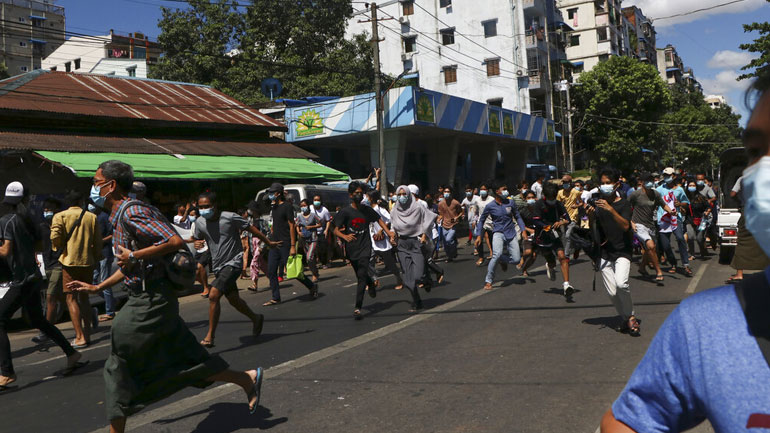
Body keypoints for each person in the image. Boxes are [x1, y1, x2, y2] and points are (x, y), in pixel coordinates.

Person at [600, 73, 770, 433]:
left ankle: (670, 266)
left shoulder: (667, 193)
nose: (762, 170)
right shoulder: (706, 324)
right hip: (648, 232)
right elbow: (626, 423)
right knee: (661, 246)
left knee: (678, 243)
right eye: (756, 152)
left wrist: (677, 210)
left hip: (670, 224)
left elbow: (673, 206)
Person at [66, 161, 263, 432]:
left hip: (151, 299)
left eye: (96, 182)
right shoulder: (120, 215)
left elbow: (173, 241)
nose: (93, 187)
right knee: (186, 356)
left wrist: (134, 255)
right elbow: (131, 265)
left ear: (111, 186)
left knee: (119, 358)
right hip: (149, 295)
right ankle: (246, 379)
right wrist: (98, 287)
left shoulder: (132, 211)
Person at [0, 181, 87, 389]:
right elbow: (38, 246)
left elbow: (5, 251)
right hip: (33, 277)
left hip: (20, 280)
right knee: (38, 320)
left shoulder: (6, 221)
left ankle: (7, 372)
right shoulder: (29, 220)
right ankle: (72, 353)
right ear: (25, 199)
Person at [194, 192, 279, 347]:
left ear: (215, 205)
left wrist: (268, 242)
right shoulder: (199, 222)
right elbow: (198, 238)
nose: (204, 210)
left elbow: (251, 229)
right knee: (234, 299)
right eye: (201, 207)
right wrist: (197, 243)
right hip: (218, 265)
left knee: (213, 295)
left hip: (234, 263)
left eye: (207, 206)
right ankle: (255, 318)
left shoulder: (230, 217)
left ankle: (210, 336)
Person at [587, 168, 640, 336]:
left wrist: (610, 209)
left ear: (617, 184)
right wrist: (590, 217)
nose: (605, 186)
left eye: (608, 183)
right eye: (602, 183)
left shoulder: (623, 204)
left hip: (622, 250)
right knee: (612, 291)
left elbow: (625, 226)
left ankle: (631, 316)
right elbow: (594, 230)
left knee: (621, 284)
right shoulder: (597, 203)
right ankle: (626, 318)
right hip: (604, 252)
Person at [333, 181, 396, 319]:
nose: (359, 195)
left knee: (361, 275)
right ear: (350, 195)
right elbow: (335, 230)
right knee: (360, 274)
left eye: (361, 193)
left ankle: (358, 307)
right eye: (356, 193)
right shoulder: (345, 212)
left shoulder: (366, 210)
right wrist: (345, 236)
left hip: (365, 247)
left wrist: (389, 233)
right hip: (352, 249)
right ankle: (370, 284)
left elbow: (379, 220)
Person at [51, 190, 102, 348]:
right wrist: (95, 258)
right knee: (84, 298)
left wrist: (58, 247)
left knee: (71, 298)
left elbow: (55, 237)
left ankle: (80, 336)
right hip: (87, 262)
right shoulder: (91, 217)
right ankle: (87, 334)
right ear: (81, 201)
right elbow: (98, 242)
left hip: (69, 262)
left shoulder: (60, 216)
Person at [262, 183, 318, 306]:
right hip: (274, 243)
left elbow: (292, 225)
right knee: (271, 271)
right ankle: (276, 297)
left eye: (272, 192)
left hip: (285, 243)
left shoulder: (287, 207)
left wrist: (293, 246)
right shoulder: (274, 207)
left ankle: (311, 286)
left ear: (278, 194)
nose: (270, 195)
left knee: (293, 271)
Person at [390, 185, 437, 312]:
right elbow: (393, 226)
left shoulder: (417, 207)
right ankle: (416, 300)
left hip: (416, 242)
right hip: (402, 244)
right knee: (408, 279)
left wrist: (424, 234)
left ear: (409, 194)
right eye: (399, 195)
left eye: (404, 194)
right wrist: (392, 236)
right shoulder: (394, 210)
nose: (402, 197)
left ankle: (426, 279)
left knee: (418, 275)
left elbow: (429, 218)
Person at [474, 181, 527, 290]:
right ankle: (488, 280)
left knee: (516, 260)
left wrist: (523, 230)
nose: (506, 191)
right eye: (504, 189)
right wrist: (479, 235)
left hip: (511, 233)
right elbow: (481, 220)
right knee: (496, 254)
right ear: (497, 191)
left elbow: (518, 216)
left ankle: (502, 259)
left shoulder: (510, 203)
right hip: (498, 232)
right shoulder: (490, 206)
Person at [532, 183, 575, 299]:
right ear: (545, 196)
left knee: (562, 257)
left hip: (555, 235)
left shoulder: (558, 204)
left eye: (553, 197)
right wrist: (546, 226)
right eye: (549, 198)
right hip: (542, 236)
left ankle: (566, 285)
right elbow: (535, 220)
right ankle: (550, 266)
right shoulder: (538, 204)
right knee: (551, 260)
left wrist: (561, 222)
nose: (551, 200)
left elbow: (567, 219)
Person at [32, 197, 65, 343]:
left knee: (50, 297)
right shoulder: (42, 227)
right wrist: (35, 257)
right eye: (45, 209)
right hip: (48, 264)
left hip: (60, 263)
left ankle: (46, 332)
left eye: (49, 208)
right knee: (65, 298)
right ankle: (89, 313)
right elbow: (37, 244)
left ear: (57, 209)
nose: (47, 211)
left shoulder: (63, 224)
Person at [629, 173, 671, 282]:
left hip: (651, 225)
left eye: (651, 181)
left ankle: (642, 268)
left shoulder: (655, 194)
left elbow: (663, 204)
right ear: (641, 182)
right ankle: (658, 271)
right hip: (638, 224)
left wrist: (671, 212)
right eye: (647, 181)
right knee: (651, 246)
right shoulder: (635, 194)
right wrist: (631, 222)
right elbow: (626, 207)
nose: (649, 183)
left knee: (650, 249)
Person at [656, 168, 692, 276]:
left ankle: (686, 264)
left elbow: (686, 202)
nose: (666, 177)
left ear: (674, 176)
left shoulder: (680, 190)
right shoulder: (659, 189)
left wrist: (680, 204)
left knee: (680, 238)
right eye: (665, 175)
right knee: (666, 245)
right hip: (663, 219)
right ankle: (673, 263)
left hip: (676, 218)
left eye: (668, 175)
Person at [366, 190, 404, 290]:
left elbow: (389, 219)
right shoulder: (368, 209)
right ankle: (373, 280)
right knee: (368, 261)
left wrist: (382, 230)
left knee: (389, 263)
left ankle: (399, 278)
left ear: (371, 198)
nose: (365, 198)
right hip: (372, 239)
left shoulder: (379, 209)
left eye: (367, 197)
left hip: (382, 240)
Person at [95, 205, 116, 321]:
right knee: (94, 281)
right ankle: (111, 301)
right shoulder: (92, 217)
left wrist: (100, 241)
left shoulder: (104, 217)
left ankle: (110, 311)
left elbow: (112, 234)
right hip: (96, 254)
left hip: (105, 254)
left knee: (104, 282)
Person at [557, 174, 583, 261]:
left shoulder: (576, 192)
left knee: (568, 235)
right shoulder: (560, 193)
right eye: (563, 182)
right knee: (565, 236)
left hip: (573, 217)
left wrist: (577, 206)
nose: (565, 184)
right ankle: (577, 246)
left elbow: (581, 202)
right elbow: (558, 204)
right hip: (564, 218)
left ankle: (566, 256)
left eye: (566, 182)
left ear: (570, 183)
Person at [684, 180, 712, 260]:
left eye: (693, 185)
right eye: (690, 185)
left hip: (700, 220)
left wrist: (707, 212)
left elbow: (708, 207)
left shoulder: (701, 197)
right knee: (690, 237)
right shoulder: (685, 197)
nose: (691, 187)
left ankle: (703, 251)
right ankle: (692, 254)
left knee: (699, 238)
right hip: (689, 220)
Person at [296, 199, 321, 283]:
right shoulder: (300, 216)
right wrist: (299, 232)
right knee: (309, 259)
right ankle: (315, 272)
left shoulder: (313, 215)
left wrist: (311, 227)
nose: (303, 207)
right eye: (301, 206)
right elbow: (297, 225)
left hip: (313, 238)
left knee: (309, 256)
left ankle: (314, 275)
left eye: (304, 205)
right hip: (304, 239)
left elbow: (320, 224)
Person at [188, 208, 212, 297]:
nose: (191, 217)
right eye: (190, 215)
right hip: (199, 250)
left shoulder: (204, 223)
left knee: (200, 266)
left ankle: (206, 288)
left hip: (207, 249)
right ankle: (208, 286)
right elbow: (192, 238)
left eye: (193, 215)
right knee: (195, 272)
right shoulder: (193, 225)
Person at [437, 186, 464, 262]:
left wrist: (457, 217)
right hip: (444, 225)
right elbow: (441, 214)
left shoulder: (455, 202)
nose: (446, 193)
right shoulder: (441, 203)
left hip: (453, 224)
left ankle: (454, 250)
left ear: (451, 193)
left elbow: (461, 212)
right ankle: (449, 257)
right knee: (445, 243)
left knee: (449, 239)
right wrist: (439, 219)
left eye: (448, 192)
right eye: (445, 192)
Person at [245, 201, 268, 291]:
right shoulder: (250, 221)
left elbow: (267, 233)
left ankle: (254, 284)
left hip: (260, 243)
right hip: (253, 244)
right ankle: (272, 277)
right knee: (261, 264)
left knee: (254, 262)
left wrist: (262, 245)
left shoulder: (262, 221)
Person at [473, 182, 495, 267]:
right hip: (481, 223)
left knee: (492, 240)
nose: (482, 191)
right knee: (479, 239)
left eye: (484, 189)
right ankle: (481, 257)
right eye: (481, 189)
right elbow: (476, 212)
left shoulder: (492, 199)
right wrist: (474, 221)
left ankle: (494, 255)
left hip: (491, 223)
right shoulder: (477, 200)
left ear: (488, 190)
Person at [518, 191, 539, 277]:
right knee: (528, 252)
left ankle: (524, 269)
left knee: (533, 256)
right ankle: (522, 258)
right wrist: (528, 230)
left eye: (533, 197)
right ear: (525, 199)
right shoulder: (522, 211)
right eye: (529, 198)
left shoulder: (539, 210)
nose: (531, 199)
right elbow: (520, 224)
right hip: (527, 235)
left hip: (538, 235)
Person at [310, 195, 332, 269]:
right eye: (315, 200)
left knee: (322, 248)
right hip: (312, 232)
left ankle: (324, 263)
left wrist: (326, 230)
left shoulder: (324, 210)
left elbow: (328, 220)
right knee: (314, 249)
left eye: (318, 200)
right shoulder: (310, 208)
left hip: (322, 232)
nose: (316, 201)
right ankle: (315, 262)